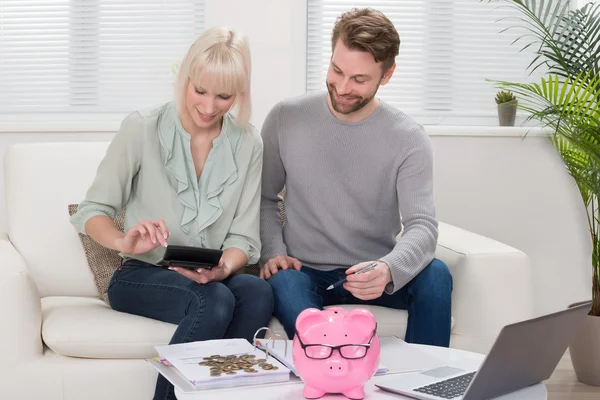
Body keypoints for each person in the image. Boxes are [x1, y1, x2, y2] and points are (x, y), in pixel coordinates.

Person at [70, 27, 274, 400]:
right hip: (141, 276)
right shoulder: (142, 128)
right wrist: (122, 239)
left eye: (224, 96)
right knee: (214, 299)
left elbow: (244, 237)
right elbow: (92, 211)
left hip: (211, 278)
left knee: (258, 292)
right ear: (185, 79)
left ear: (239, 95)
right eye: (200, 91)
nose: (209, 107)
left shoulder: (248, 142)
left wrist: (224, 268)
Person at [260, 8, 452, 347]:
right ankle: (329, 366)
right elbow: (264, 199)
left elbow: (422, 226)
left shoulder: (408, 137)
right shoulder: (285, 118)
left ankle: (426, 385)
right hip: (304, 271)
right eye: (337, 70)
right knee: (283, 282)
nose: (343, 87)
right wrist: (274, 251)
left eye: (359, 79)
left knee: (436, 275)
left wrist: (389, 268)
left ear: (387, 74)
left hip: (372, 273)